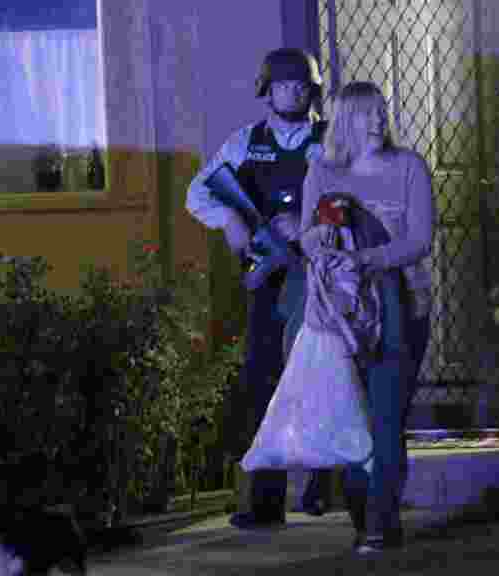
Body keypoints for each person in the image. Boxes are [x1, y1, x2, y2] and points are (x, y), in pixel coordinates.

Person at [185, 47, 332, 528]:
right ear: (266, 89)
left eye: (301, 84)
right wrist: (227, 216)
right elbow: (197, 192)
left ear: (313, 89)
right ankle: (263, 501)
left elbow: (357, 199)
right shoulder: (245, 141)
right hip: (267, 276)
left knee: (321, 376)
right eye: (283, 84)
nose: (293, 91)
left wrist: (308, 219)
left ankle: (322, 486)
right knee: (261, 383)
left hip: (322, 275)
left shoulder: (331, 140)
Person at [299, 81, 434, 554]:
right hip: (344, 318)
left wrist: (366, 259)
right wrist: (326, 241)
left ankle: (379, 523)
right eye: (366, 114)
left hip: (403, 310)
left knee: (384, 419)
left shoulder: (409, 168)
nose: (378, 121)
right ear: (343, 121)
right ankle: (365, 520)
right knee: (352, 420)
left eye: (381, 112)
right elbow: (307, 238)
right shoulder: (320, 172)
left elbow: (419, 242)